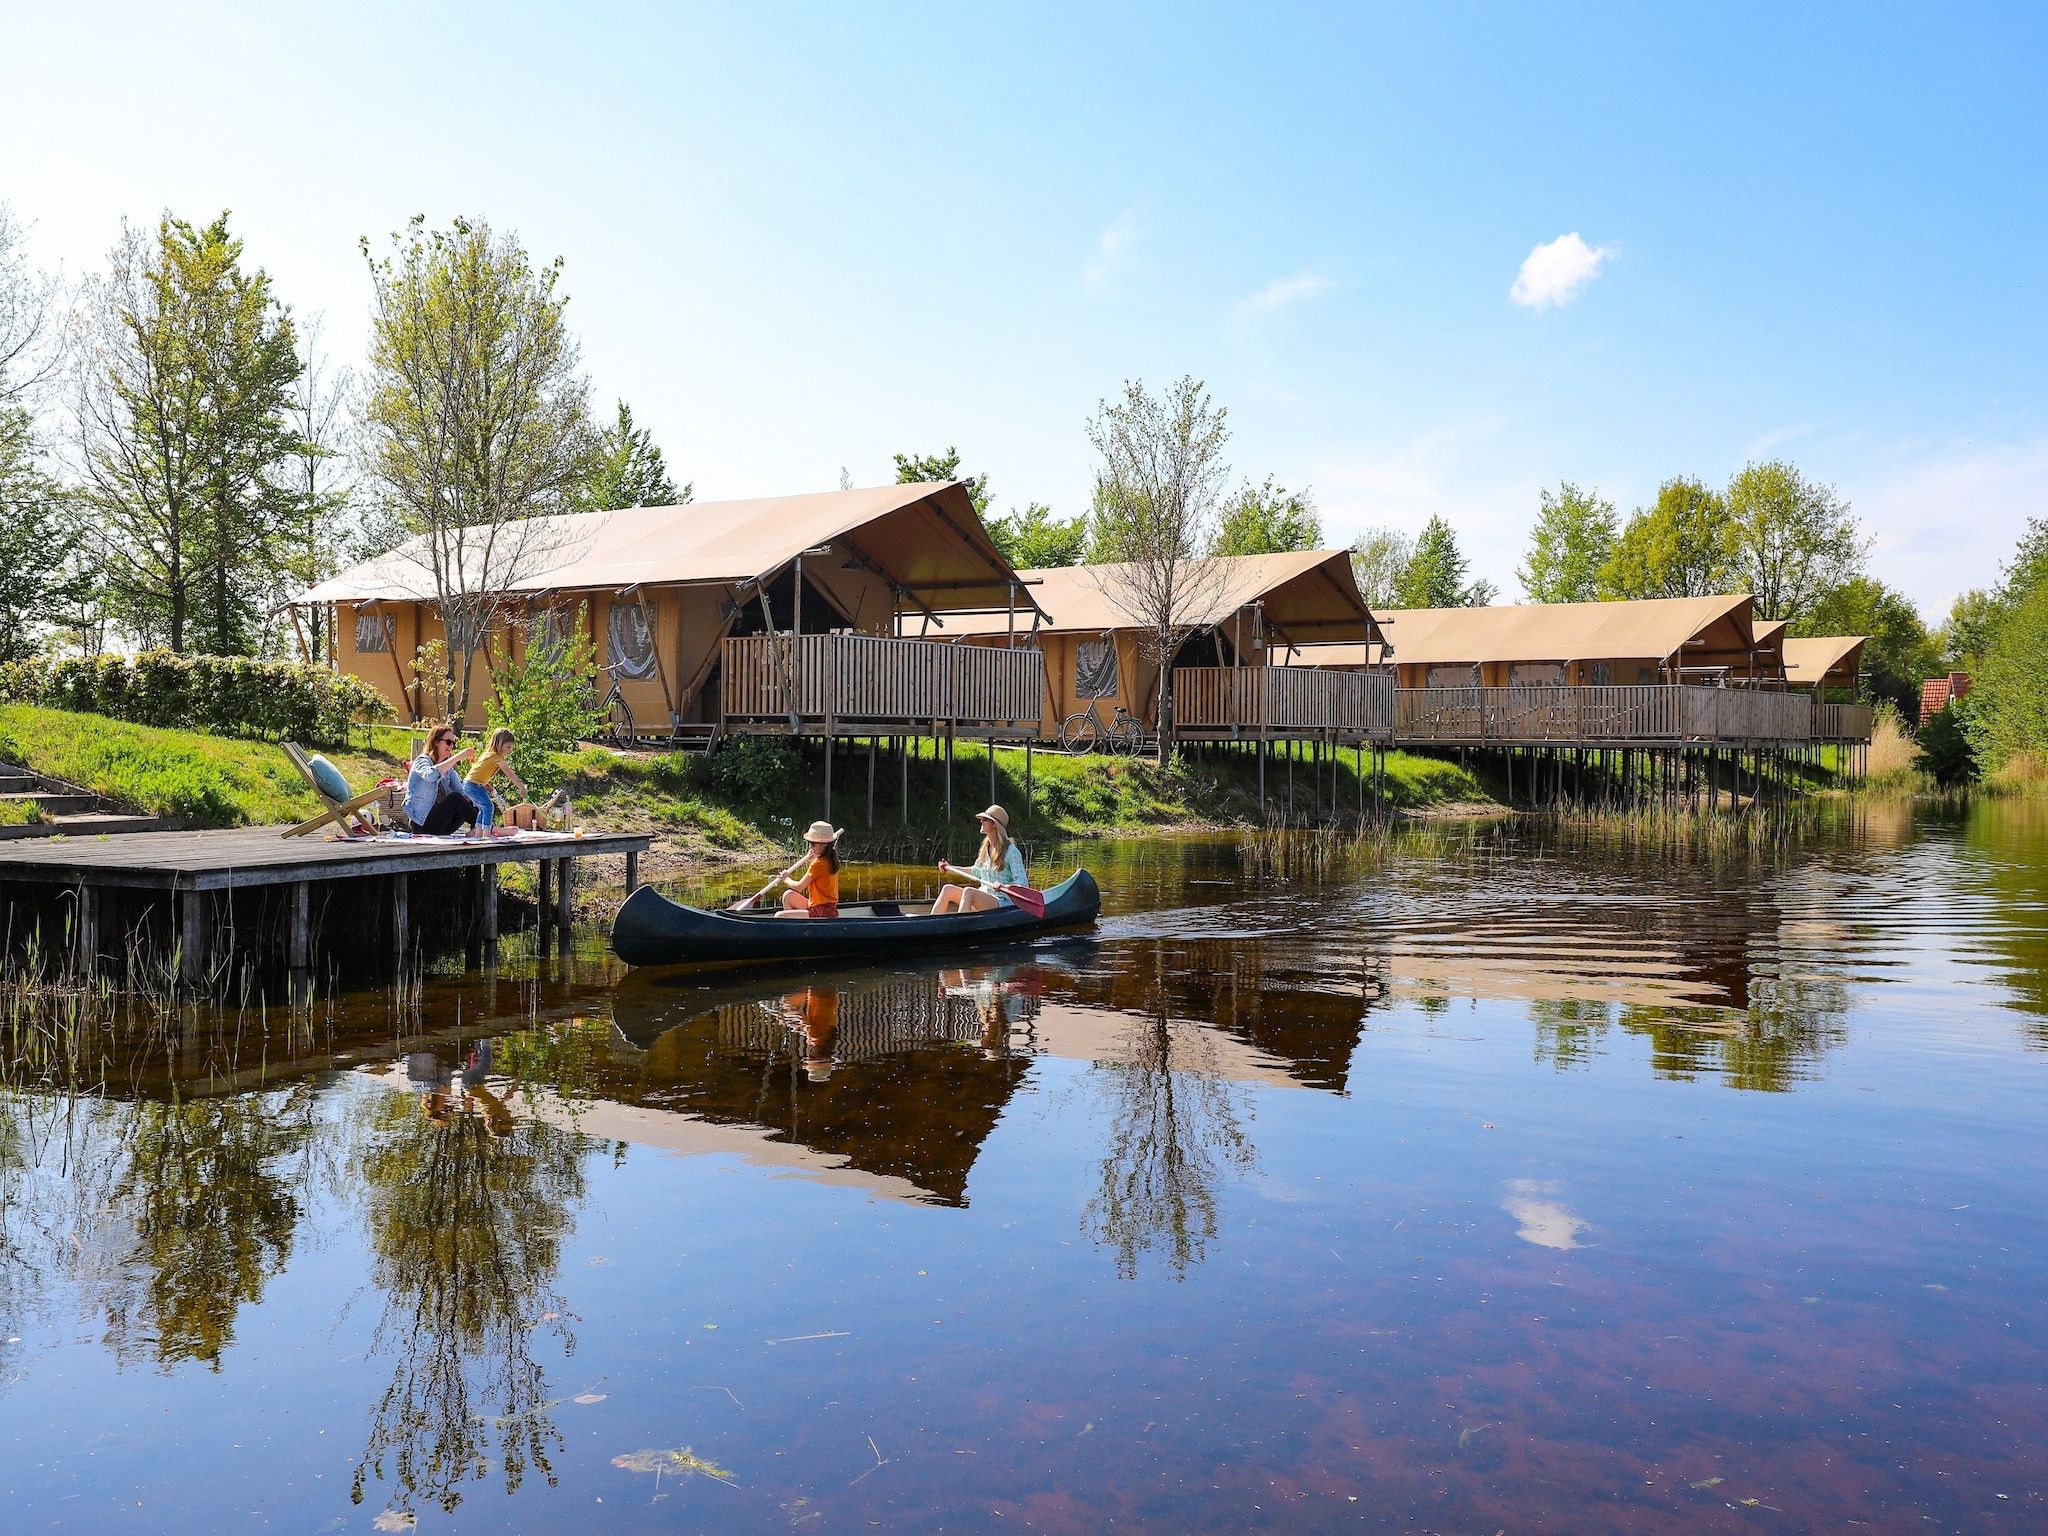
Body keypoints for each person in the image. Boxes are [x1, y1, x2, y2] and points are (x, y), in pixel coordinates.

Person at [931, 804, 1027, 914]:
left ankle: (960, 928)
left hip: (1002, 901)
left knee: (969, 892)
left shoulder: (1011, 851)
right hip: (984, 897)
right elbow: (975, 871)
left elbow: (1022, 883)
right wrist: (950, 868)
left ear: (994, 825)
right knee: (948, 889)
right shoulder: (985, 849)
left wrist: (1004, 887)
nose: (981, 821)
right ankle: (930, 926)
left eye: (985, 819)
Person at [404, 724, 477, 835]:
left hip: (441, 825)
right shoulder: (422, 761)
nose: (451, 746)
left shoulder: (449, 769)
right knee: (455, 798)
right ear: (436, 742)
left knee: (472, 799)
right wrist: (457, 757)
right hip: (422, 825)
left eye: (453, 743)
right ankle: (487, 828)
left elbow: (462, 792)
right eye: (448, 742)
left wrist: (478, 791)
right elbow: (430, 776)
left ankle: (479, 828)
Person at [461, 728, 531, 830]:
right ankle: (486, 833)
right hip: (473, 785)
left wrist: (485, 784)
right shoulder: (496, 757)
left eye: (511, 748)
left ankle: (478, 832)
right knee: (489, 807)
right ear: (499, 743)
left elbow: (479, 771)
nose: (510, 751)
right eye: (508, 747)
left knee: (483, 809)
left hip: (472, 784)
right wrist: (521, 787)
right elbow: (510, 774)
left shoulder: (489, 753)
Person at [778, 821, 842, 917]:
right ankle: (795, 926)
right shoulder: (829, 860)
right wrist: (812, 860)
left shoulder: (818, 864)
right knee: (788, 896)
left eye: (813, 843)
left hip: (821, 912)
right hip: (825, 909)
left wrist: (786, 879)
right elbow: (819, 872)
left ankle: (796, 927)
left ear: (824, 844)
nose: (810, 846)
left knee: (779, 916)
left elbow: (799, 887)